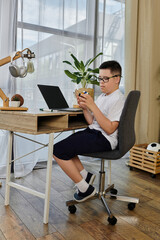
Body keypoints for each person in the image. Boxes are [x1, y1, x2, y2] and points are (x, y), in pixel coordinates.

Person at [53, 60, 125, 203]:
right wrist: (86, 108)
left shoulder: (118, 98)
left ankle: (85, 189)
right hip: (93, 132)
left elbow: (110, 128)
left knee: (57, 151)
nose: (101, 83)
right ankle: (85, 177)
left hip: (105, 138)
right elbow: (92, 121)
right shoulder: (103, 96)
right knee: (66, 147)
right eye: (100, 78)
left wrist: (93, 105)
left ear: (117, 79)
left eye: (106, 79)